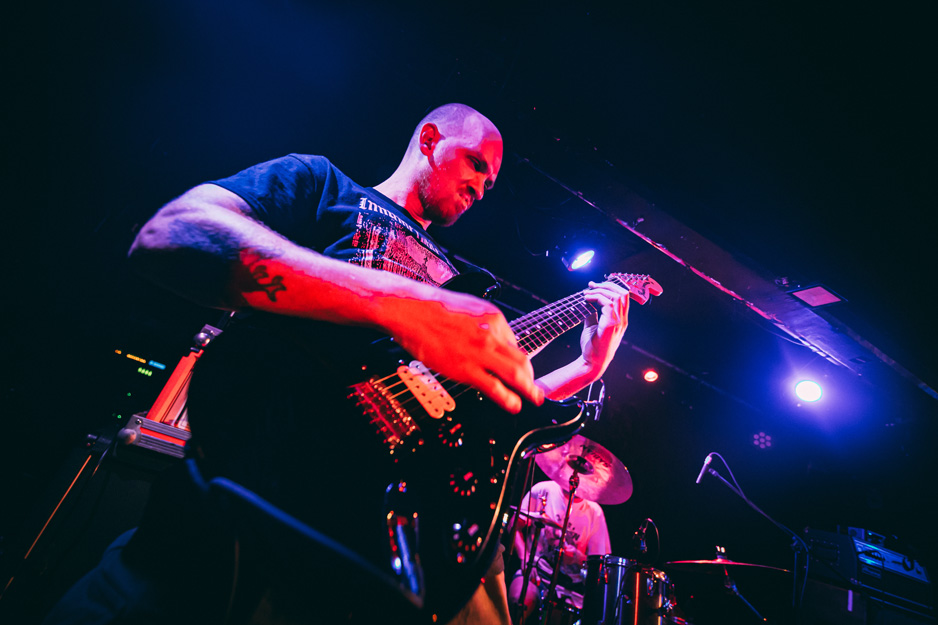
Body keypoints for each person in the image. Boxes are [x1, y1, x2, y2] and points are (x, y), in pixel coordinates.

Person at [42, 103, 631, 625]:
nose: (482, 186)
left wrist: (585, 367)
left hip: (388, 530)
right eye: (476, 164)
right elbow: (173, 233)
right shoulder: (325, 184)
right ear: (430, 140)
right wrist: (404, 303)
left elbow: (489, 408)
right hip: (265, 475)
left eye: (491, 181)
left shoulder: (463, 280)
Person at [508, 480, 611, 624]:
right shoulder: (543, 490)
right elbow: (514, 526)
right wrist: (524, 558)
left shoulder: (594, 512)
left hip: (570, 587)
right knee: (519, 602)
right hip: (536, 573)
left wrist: (577, 557)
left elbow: (601, 565)